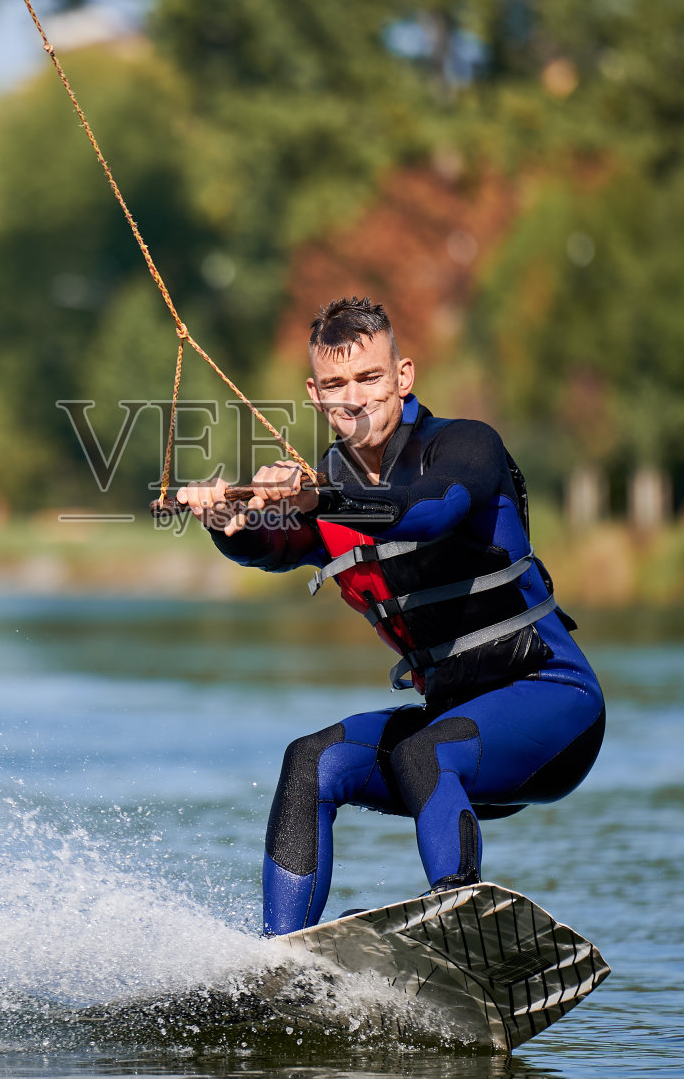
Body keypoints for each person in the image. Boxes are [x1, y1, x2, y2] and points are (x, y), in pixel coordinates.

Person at [177, 295, 605, 936]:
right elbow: (277, 545)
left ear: (403, 377)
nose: (355, 399)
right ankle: (278, 961)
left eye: (370, 378)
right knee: (311, 762)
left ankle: (462, 926)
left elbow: (427, 511)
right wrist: (230, 523)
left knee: (424, 754)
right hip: (455, 725)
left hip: (554, 705)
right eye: (335, 385)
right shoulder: (323, 481)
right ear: (315, 395)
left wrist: (322, 495)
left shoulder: (465, 447)